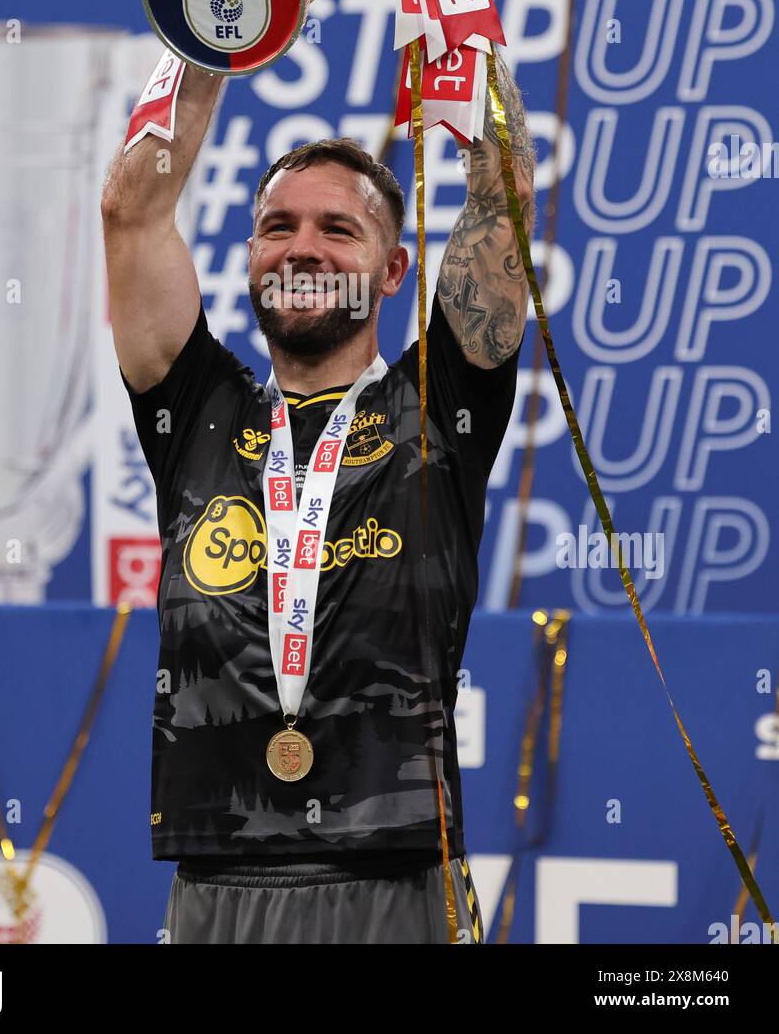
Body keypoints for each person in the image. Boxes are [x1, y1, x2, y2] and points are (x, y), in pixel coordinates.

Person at [100, 52, 535, 945]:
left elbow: (504, 199)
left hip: (399, 877)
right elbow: (130, 212)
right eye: (278, 226)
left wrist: (462, 13)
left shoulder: (437, 410)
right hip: (217, 882)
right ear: (252, 253)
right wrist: (210, 33)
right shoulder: (199, 414)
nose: (302, 246)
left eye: (339, 228)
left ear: (393, 269)